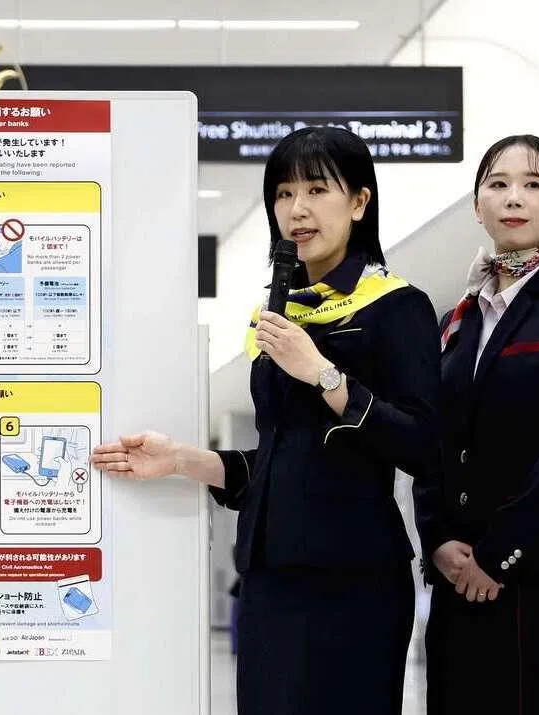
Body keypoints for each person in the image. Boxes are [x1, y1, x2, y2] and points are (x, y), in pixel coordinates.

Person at [91, 126, 441, 715]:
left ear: (359, 202)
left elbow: (422, 444)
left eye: (316, 189)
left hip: (353, 575)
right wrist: (182, 460)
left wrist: (324, 375)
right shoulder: (271, 314)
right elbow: (283, 457)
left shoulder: (397, 305)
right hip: (269, 575)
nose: (296, 209)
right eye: (281, 193)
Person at [416, 135, 539, 714]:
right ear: (477, 203)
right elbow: (431, 438)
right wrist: (435, 538)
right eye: (498, 183)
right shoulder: (454, 322)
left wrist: (502, 550)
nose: (514, 197)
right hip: (458, 577)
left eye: (534, 184)